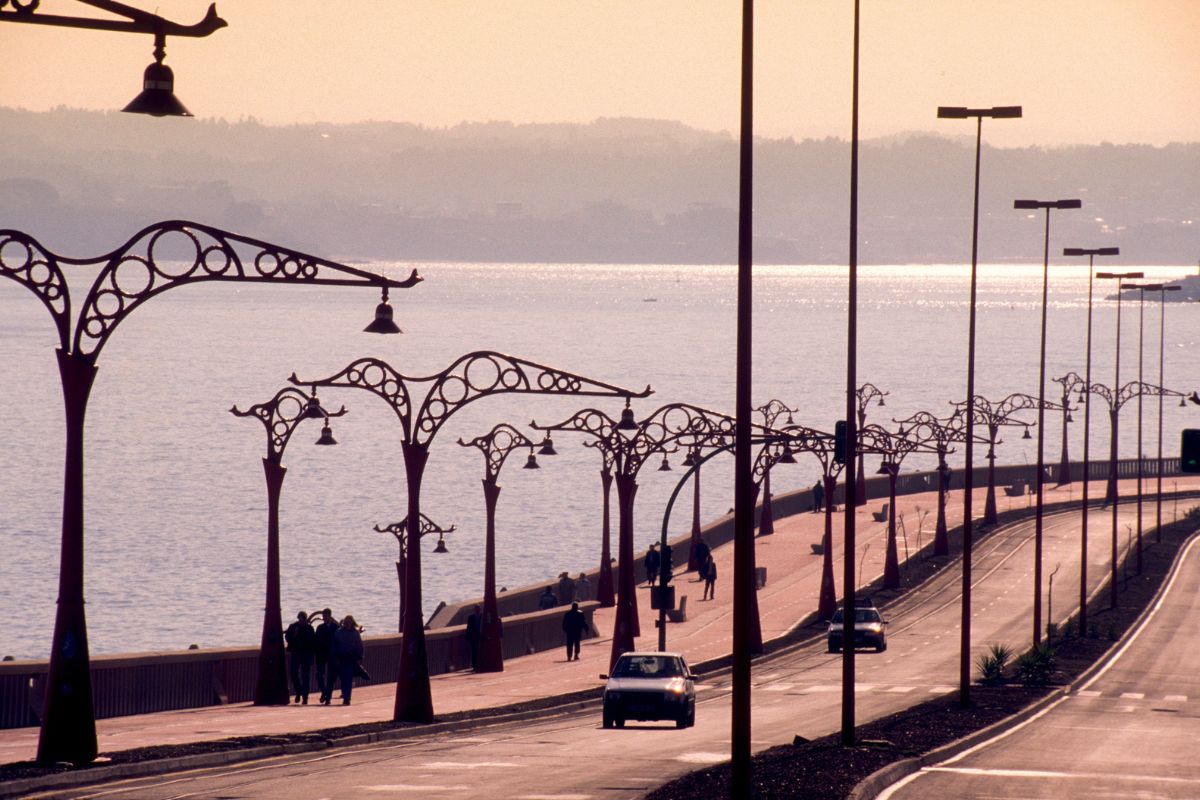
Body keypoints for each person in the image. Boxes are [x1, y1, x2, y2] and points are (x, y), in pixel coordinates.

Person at [284, 610, 316, 704]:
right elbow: (288, 638)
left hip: (306, 654)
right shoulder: (293, 626)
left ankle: (305, 697)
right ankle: (299, 691)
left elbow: (312, 641)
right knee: (293, 673)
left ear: (305, 619)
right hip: (296, 653)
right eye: (300, 619)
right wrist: (295, 634)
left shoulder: (309, 628)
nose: (301, 621)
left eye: (303, 619)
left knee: (305, 676)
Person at [333, 614, 365, 705]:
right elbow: (335, 645)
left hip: (351, 659)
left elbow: (359, 646)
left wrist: (360, 657)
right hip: (341, 658)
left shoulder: (355, 633)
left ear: (352, 623)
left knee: (348, 678)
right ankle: (345, 694)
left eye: (349, 622)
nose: (347, 624)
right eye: (346, 622)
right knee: (343, 678)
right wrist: (335, 657)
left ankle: (347, 698)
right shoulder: (338, 632)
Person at [314, 608, 339, 705]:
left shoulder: (336, 627)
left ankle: (328, 697)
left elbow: (338, 642)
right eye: (323, 616)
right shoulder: (320, 628)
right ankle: (324, 692)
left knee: (331, 677)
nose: (324, 618)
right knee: (319, 675)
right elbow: (316, 641)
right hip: (321, 655)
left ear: (330, 616)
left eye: (326, 616)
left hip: (332, 655)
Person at [465, 605, 482, 671]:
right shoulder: (471, 617)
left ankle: (480, 665)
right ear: (474, 610)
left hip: (481, 637)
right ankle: (474, 666)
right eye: (476, 609)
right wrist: (467, 637)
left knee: (480, 651)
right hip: (474, 637)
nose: (477, 610)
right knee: (474, 652)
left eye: (478, 608)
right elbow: (468, 627)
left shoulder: (483, 616)